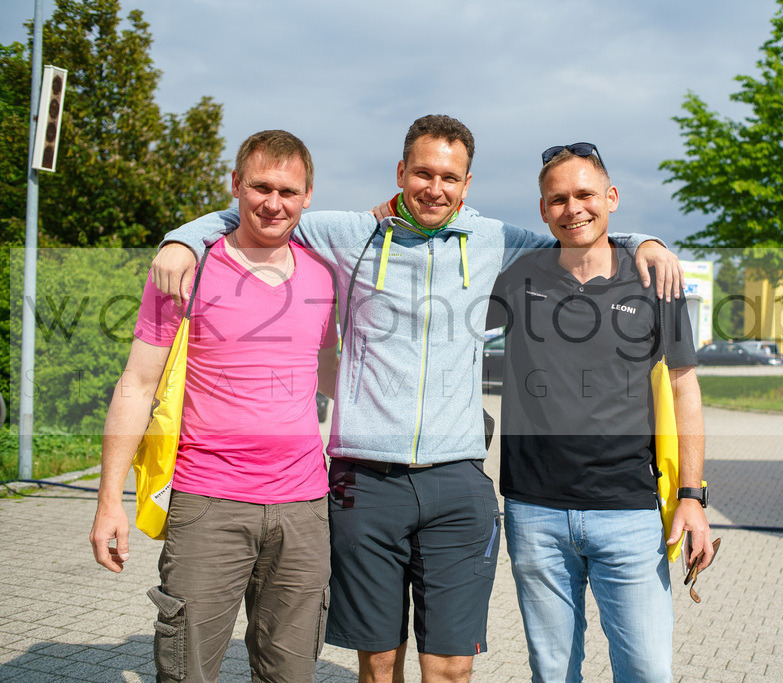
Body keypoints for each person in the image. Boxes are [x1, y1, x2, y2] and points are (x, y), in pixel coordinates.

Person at [148, 115, 685, 683]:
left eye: (450, 177)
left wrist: (640, 241)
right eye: (423, 173)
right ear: (401, 172)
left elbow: (577, 234)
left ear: (467, 184)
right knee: (379, 667)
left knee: (451, 668)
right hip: (365, 483)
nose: (435, 187)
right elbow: (265, 213)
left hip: (456, 482)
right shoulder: (350, 232)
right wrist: (182, 239)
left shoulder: (495, 240)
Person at [89, 130, 340, 682]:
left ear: (307, 194)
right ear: (235, 186)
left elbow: (332, 375)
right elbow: (135, 384)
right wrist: (110, 502)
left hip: (304, 510)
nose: (274, 203)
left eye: (288, 191)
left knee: (291, 674)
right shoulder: (185, 271)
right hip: (208, 505)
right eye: (260, 187)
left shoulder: (324, 277)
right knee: (188, 673)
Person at [487, 143, 713, 681]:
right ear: (543, 210)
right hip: (534, 512)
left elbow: (685, 391)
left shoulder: (655, 282)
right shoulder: (517, 278)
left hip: (630, 513)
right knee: (554, 673)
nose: (574, 208)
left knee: (646, 671)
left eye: (586, 194)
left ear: (611, 198)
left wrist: (693, 497)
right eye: (558, 199)